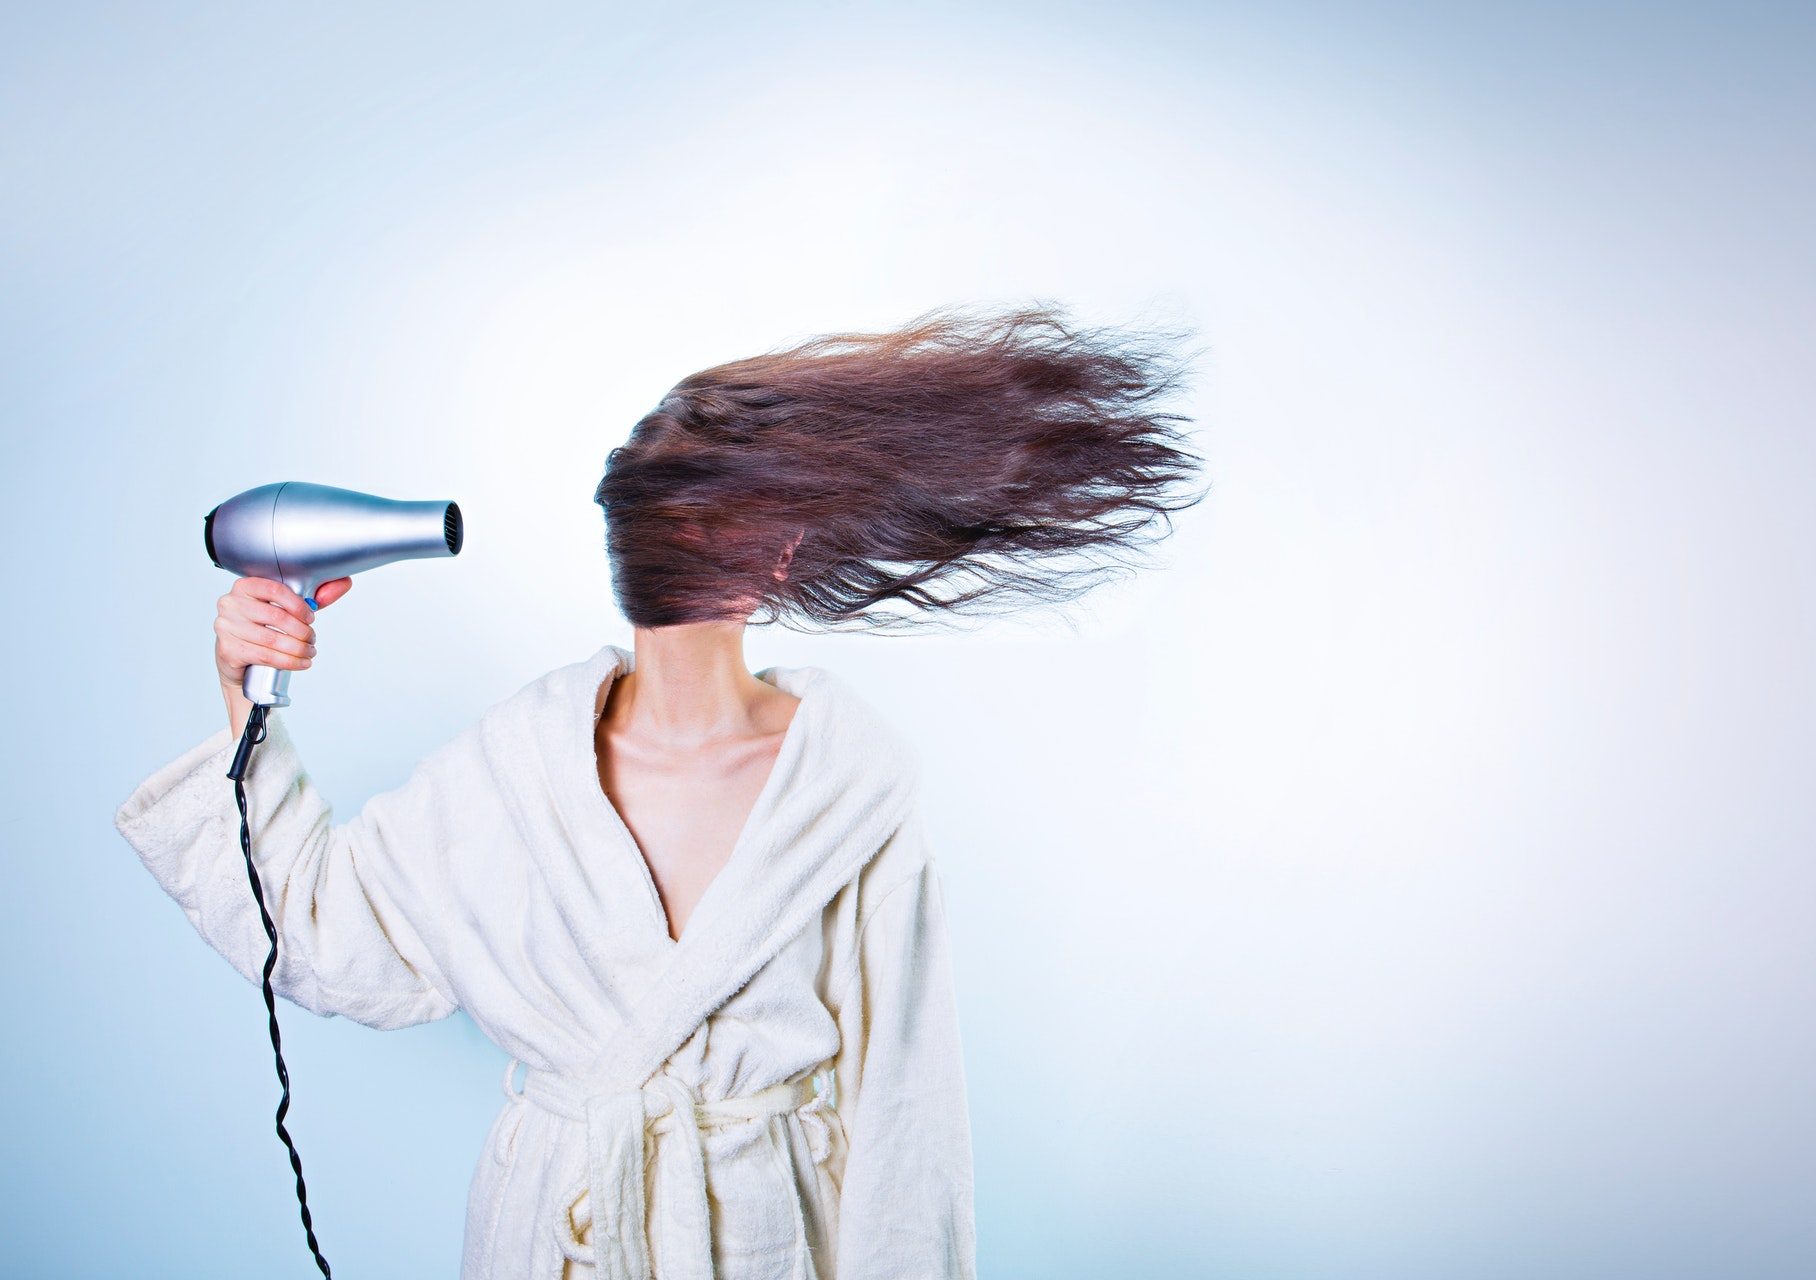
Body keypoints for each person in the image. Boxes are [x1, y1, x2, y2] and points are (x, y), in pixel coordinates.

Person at [113, 302, 1208, 1280]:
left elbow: (907, 1124)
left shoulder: (848, 792)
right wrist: (241, 696)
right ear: (782, 551)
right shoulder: (514, 772)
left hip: (773, 1242)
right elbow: (322, 939)